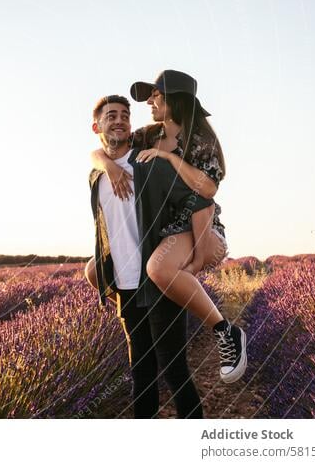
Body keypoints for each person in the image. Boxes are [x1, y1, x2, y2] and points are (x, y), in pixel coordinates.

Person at [90, 70, 246, 384]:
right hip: (162, 228)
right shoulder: (147, 134)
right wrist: (105, 164)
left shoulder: (200, 141)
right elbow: (106, 146)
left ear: (174, 99)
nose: (150, 101)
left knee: (159, 269)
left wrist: (169, 158)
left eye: (156, 95)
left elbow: (207, 190)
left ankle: (226, 332)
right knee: (96, 270)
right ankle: (138, 306)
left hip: (198, 223)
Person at [85, 94, 212, 418]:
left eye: (125, 115)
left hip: (157, 284)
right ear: (96, 125)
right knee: (140, 374)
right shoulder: (96, 175)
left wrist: (196, 257)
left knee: (174, 372)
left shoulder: (150, 163)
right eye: (111, 115)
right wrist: (108, 165)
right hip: (126, 289)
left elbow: (200, 199)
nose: (119, 120)